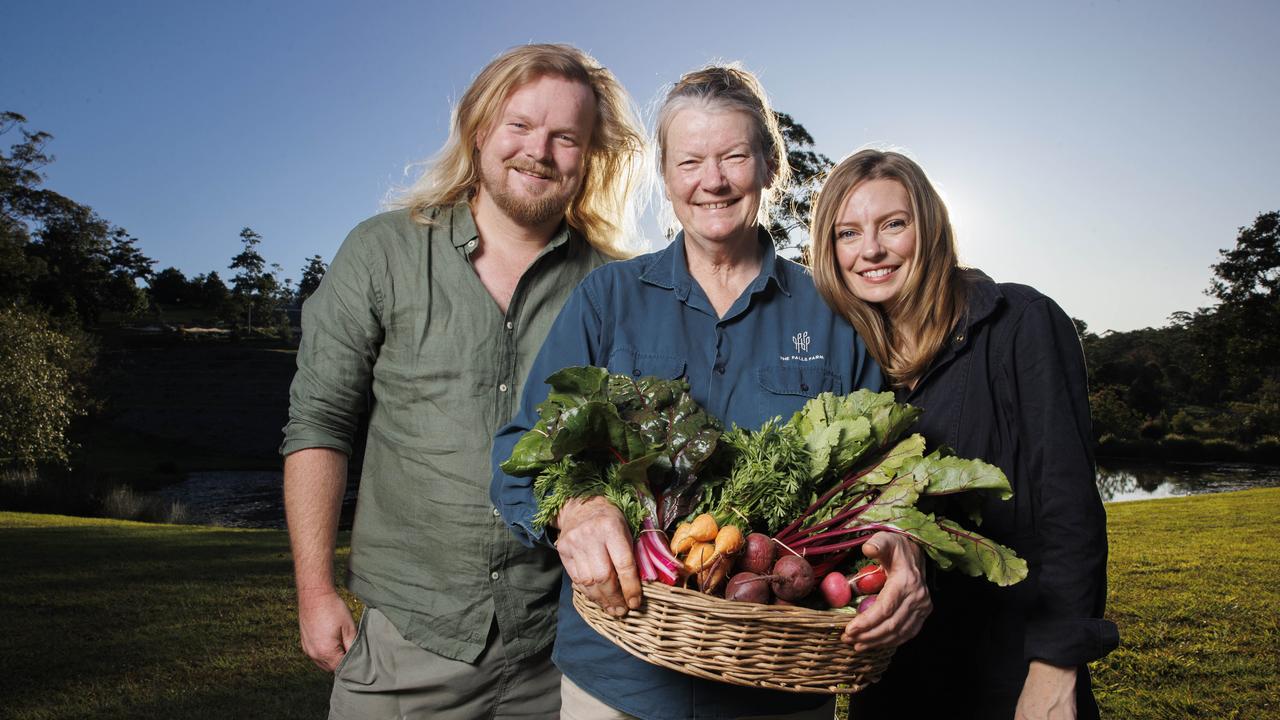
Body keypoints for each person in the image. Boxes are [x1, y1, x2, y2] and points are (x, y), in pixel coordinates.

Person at [491, 66, 932, 720]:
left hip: (779, 689)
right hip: (615, 679)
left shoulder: (833, 311)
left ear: (768, 166)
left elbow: (885, 473)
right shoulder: (607, 300)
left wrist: (901, 541)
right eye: (690, 160)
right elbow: (517, 458)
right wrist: (575, 509)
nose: (713, 180)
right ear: (666, 178)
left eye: (733, 156)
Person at [280, 43, 647, 719]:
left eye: (566, 137)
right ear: (480, 131)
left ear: (590, 156)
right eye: (521, 126)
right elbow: (319, 424)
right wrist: (315, 590)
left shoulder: (615, 288)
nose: (539, 150)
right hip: (408, 643)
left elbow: (637, 450)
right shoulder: (381, 251)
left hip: (562, 649)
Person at [808, 149, 1120, 719]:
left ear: (930, 227)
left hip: (1011, 669)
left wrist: (1054, 670)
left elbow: (1069, 506)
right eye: (847, 233)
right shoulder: (857, 366)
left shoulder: (1020, 322)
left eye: (893, 224)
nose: (870, 250)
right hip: (896, 677)